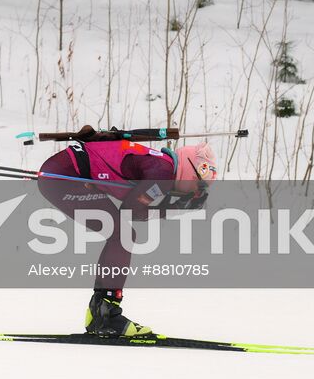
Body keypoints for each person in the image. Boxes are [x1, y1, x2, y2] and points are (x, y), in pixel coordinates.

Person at [37, 137, 216, 337]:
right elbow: (133, 211)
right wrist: (176, 207)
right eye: (199, 185)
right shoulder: (163, 174)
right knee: (123, 235)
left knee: (122, 234)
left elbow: (134, 207)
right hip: (63, 176)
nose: (196, 191)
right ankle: (107, 315)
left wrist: (173, 206)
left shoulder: (161, 167)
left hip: (62, 173)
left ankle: (100, 313)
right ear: (189, 172)